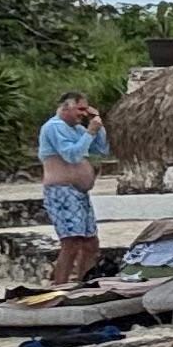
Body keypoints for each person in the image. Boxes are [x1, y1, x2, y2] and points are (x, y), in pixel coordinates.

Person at [38, 91, 107, 285]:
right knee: (71, 241)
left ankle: (84, 282)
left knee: (90, 243)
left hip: (79, 193)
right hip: (62, 191)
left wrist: (97, 125)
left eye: (86, 110)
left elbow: (101, 150)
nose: (83, 114)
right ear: (67, 107)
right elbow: (72, 156)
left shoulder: (77, 130)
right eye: (80, 109)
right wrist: (90, 132)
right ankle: (60, 286)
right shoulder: (54, 127)